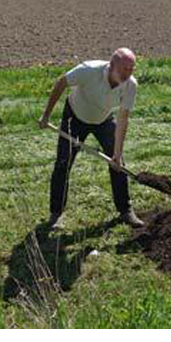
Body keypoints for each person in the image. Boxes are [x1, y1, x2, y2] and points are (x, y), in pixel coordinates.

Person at [39, 47, 143, 229]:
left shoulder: (130, 85)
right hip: (75, 117)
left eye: (131, 69)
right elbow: (61, 83)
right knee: (63, 163)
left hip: (103, 119)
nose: (128, 74)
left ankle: (125, 211)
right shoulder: (88, 70)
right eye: (124, 69)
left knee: (118, 164)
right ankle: (56, 214)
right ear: (111, 66)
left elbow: (123, 118)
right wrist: (46, 115)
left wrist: (117, 153)